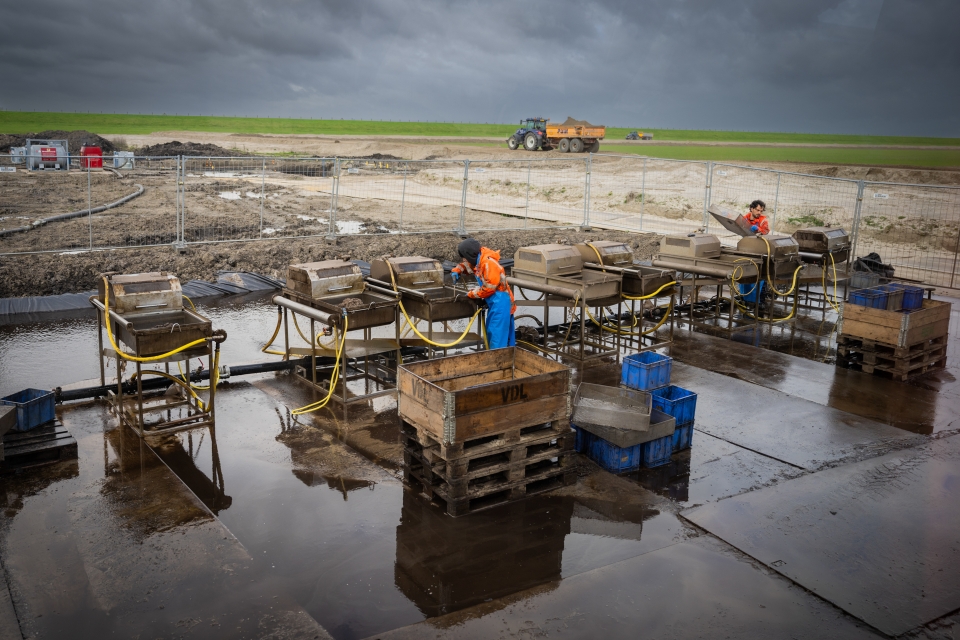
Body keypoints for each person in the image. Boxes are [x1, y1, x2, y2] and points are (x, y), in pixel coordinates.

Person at [451, 238, 516, 349]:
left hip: (501, 302)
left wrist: (472, 294)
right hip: (495, 302)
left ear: (470, 255)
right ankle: (500, 359)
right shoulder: (479, 260)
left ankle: (498, 362)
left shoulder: (488, 263)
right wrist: (457, 270)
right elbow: (468, 266)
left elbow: (489, 288)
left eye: (465, 257)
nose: (464, 260)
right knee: (492, 331)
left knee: (497, 336)